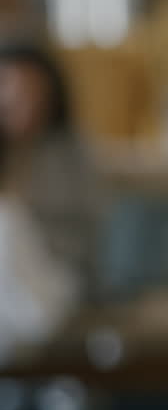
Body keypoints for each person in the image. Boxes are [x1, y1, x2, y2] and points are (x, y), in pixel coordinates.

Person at [0, 40, 99, 363]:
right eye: (12, 92)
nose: (24, 104)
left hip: (53, 276)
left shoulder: (71, 157)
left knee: (9, 225)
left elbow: (84, 237)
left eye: (33, 93)